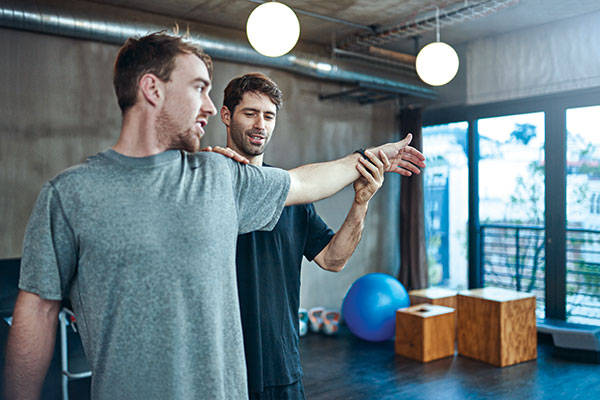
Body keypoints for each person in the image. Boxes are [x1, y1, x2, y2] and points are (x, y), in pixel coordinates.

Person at [4, 32, 425, 400]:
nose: (208, 105)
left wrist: (368, 161)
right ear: (152, 89)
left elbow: (304, 183)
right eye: (199, 88)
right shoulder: (70, 195)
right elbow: (37, 310)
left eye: (268, 116)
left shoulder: (220, 177)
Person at [219, 73, 415, 399]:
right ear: (226, 115)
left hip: (281, 366)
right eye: (250, 113)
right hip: (225, 367)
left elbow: (333, 259)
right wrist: (365, 158)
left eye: (268, 116)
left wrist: (360, 202)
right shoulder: (211, 185)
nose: (260, 124)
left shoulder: (293, 197)